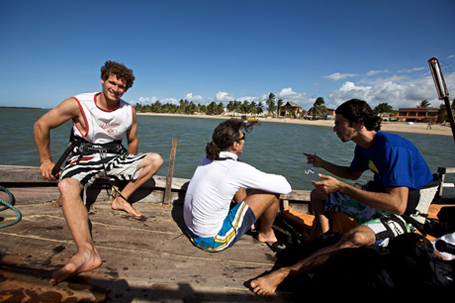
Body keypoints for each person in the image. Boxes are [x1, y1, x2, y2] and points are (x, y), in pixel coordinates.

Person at [250, 99, 439, 296]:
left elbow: (398, 205)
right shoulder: (364, 147)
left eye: (338, 122)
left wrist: (342, 188)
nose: (334, 129)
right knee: (318, 195)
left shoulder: (394, 148)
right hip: (381, 202)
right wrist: (322, 163)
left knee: (357, 237)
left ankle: (285, 273)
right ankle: (324, 240)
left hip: (408, 214)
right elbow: (352, 174)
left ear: (357, 123)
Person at [34, 61, 163, 286]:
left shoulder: (128, 110)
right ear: (103, 80)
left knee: (156, 160)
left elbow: (132, 141)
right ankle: (86, 252)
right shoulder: (78, 103)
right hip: (83, 157)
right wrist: (46, 160)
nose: (115, 88)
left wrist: (126, 175)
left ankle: (121, 199)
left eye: (121, 86)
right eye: (112, 82)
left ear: (126, 89)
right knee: (66, 186)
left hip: (114, 157)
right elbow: (41, 125)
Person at [183, 119, 292, 252]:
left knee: (239, 182)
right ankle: (265, 234)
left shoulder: (208, 159)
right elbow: (286, 187)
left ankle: (249, 223)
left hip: (190, 229)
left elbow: (236, 176)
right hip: (212, 240)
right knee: (271, 192)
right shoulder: (236, 169)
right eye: (243, 138)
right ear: (235, 145)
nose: (244, 141)